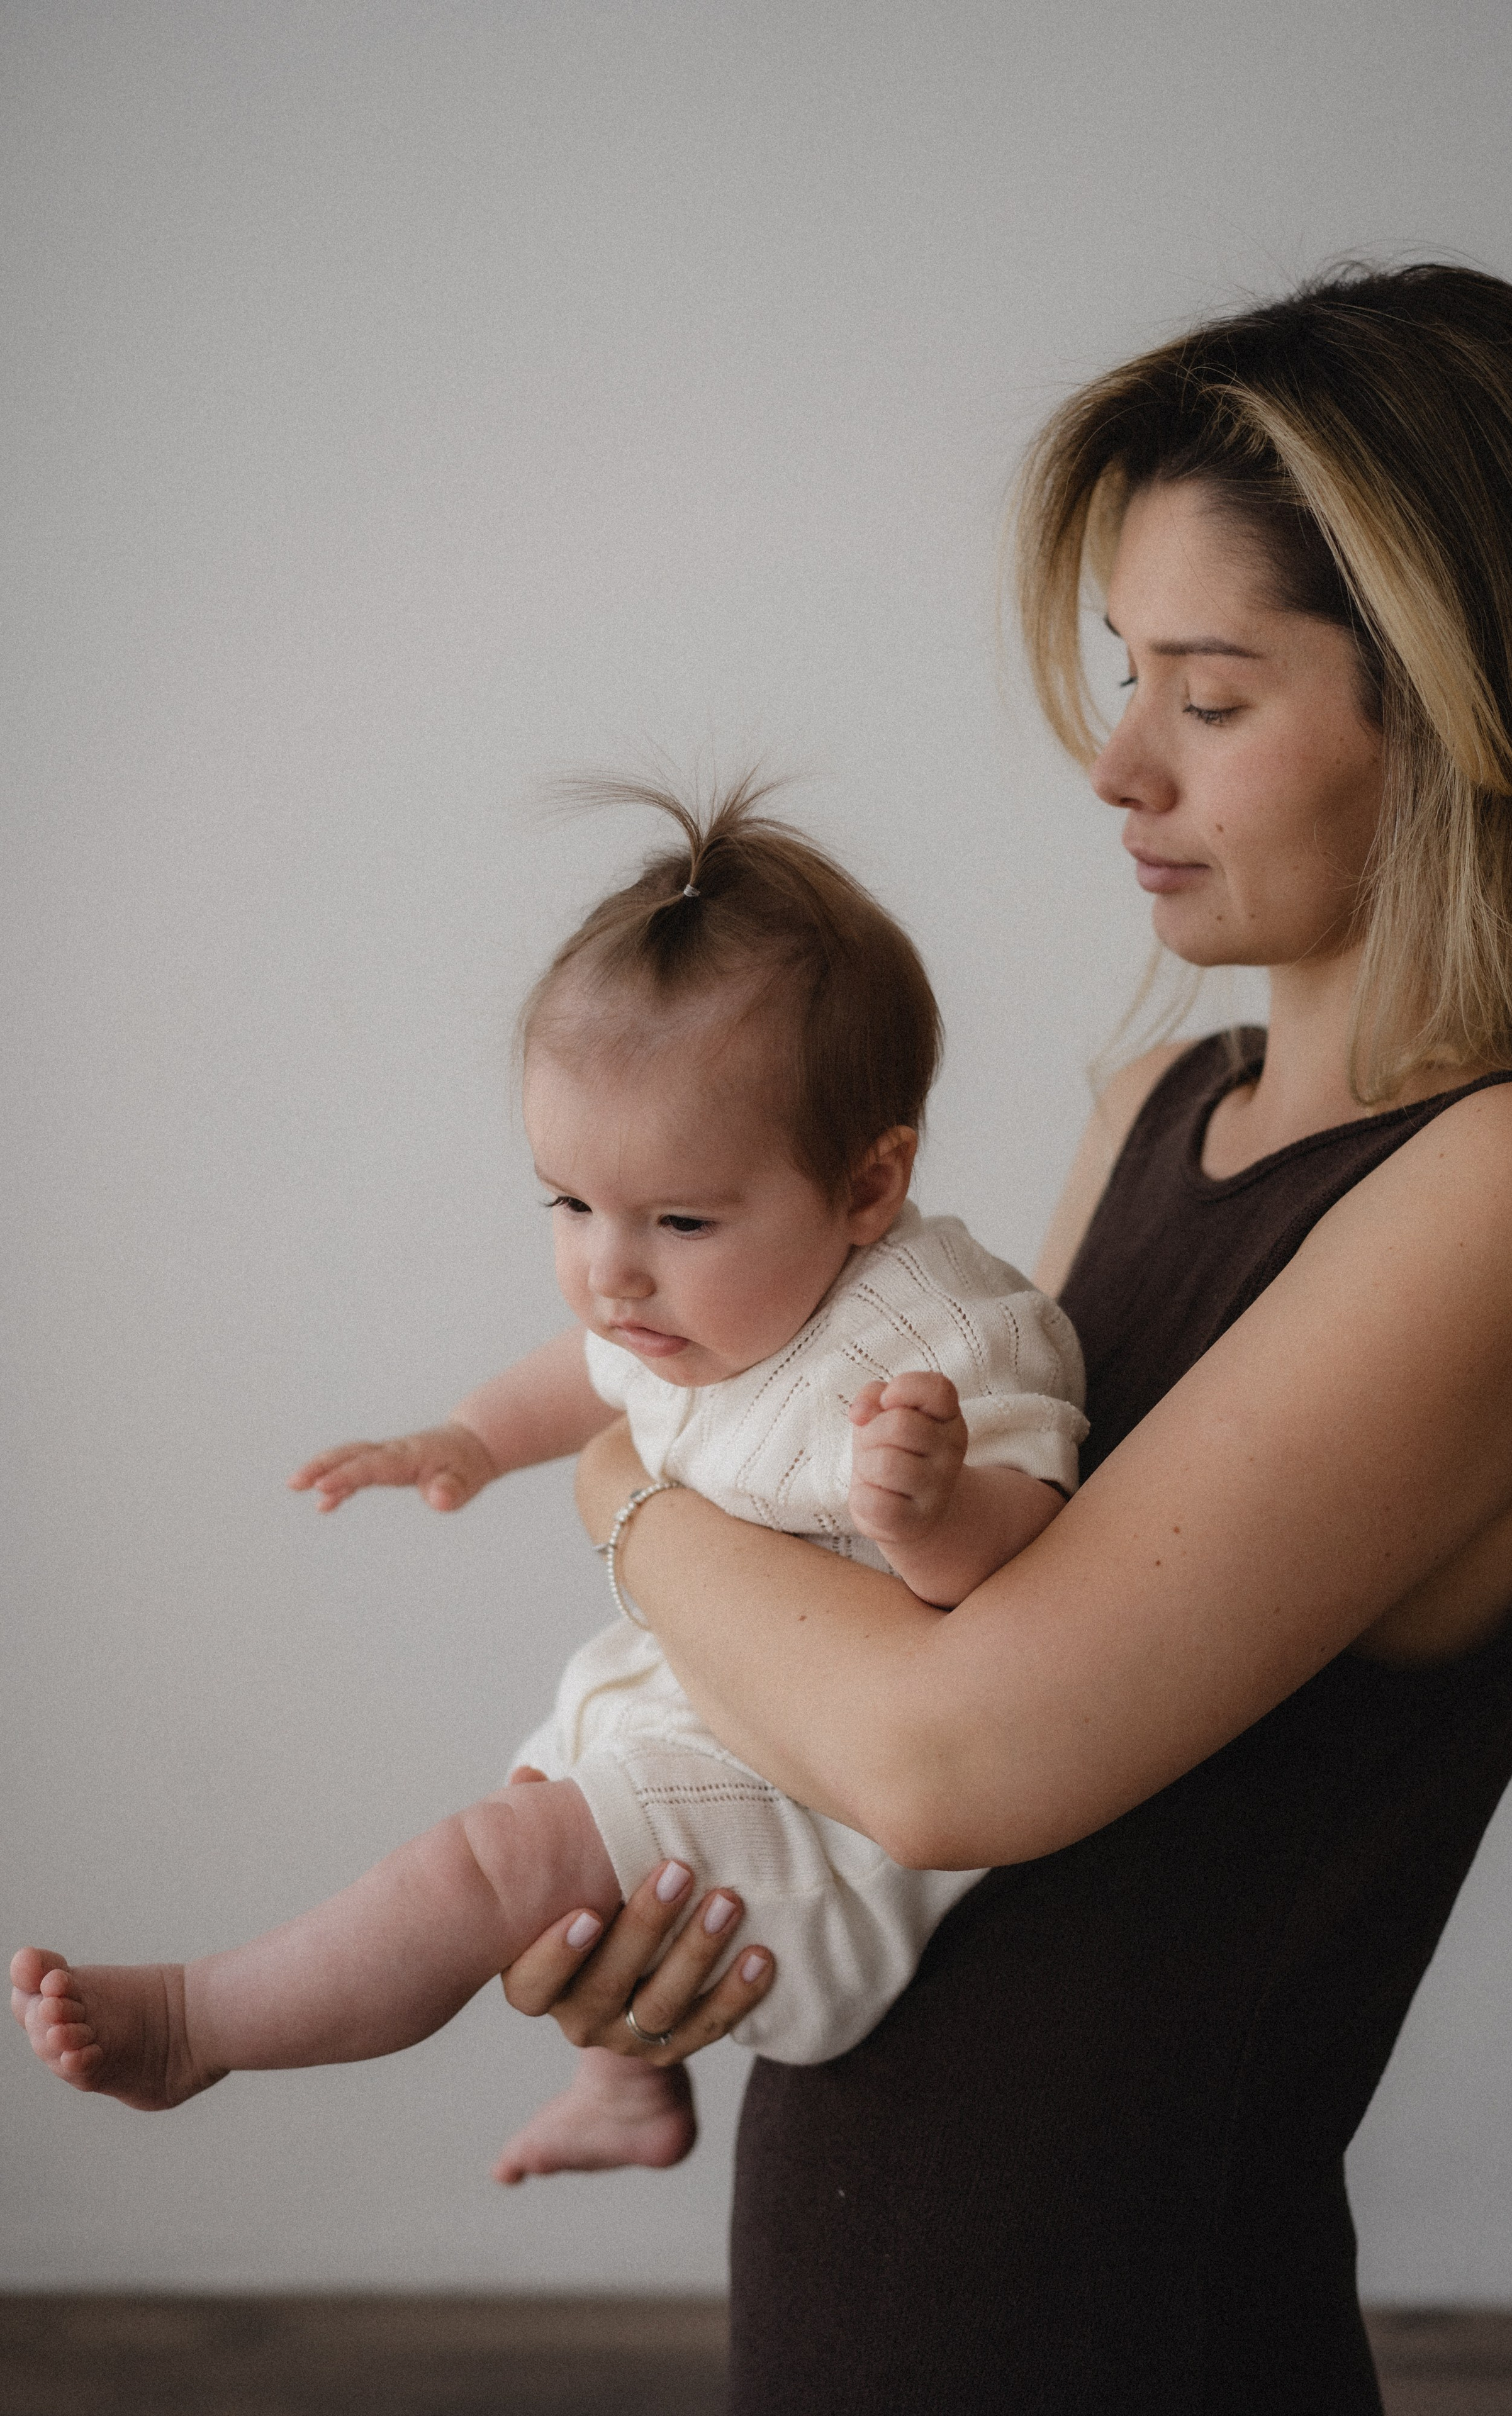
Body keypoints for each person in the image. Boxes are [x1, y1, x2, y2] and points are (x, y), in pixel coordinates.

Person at [488, 265, 1512, 2413]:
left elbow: (956, 1755)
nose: (1113, 763)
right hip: (870, 2275)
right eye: (1123, 675)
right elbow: (873, 1682)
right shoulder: (1156, 1107)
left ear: (1462, 709)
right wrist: (676, 1883)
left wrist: (620, 1474)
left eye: (1209, 692)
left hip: (1123, 2329)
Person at [9, 786, 1087, 2184]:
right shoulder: (691, 1301)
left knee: (485, 1867)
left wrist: (933, 1510)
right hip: (718, 1712)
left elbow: (1035, 1569)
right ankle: (626, 2086)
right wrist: (462, 1439)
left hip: (838, 1829)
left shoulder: (940, 1344)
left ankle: (204, 2022)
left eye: (678, 1220)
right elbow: (587, 1372)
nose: (612, 1269)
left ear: (869, 1186)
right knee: (547, 1782)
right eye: (569, 1205)